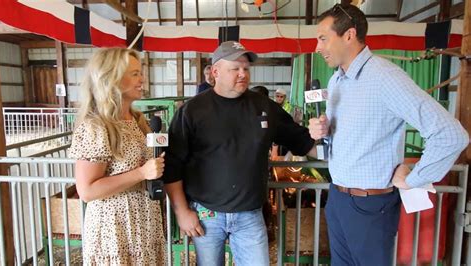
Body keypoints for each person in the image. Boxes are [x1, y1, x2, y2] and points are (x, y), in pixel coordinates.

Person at [308, 4, 469, 265]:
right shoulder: (336, 81)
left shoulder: (385, 77)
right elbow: (344, 138)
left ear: (349, 35)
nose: (318, 47)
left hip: (370, 205)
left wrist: (415, 177)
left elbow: (451, 134)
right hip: (337, 198)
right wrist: (322, 132)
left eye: (323, 38)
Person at [163, 40, 316, 265]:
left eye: (246, 68)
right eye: (235, 68)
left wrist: (328, 141)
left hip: (250, 215)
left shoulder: (264, 107)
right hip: (207, 213)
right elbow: (173, 165)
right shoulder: (192, 111)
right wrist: (182, 211)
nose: (243, 73)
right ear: (215, 72)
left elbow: (302, 141)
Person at [69, 48, 166, 265]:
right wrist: (141, 173)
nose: (142, 79)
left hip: (144, 220)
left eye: (140, 72)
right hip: (114, 227)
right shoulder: (96, 126)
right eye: (134, 74)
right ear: (111, 78)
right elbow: (87, 190)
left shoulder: (138, 120)